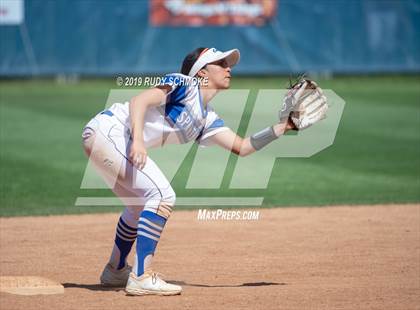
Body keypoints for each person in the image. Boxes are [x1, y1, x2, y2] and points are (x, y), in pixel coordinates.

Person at [81, 47, 297, 296]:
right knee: (162, 196)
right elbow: (139, 101)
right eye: (221, 63)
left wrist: (285, 126)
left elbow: (242, 146)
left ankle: (116, 270)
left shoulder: (206, 117)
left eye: (228, 64)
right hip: (110, 132)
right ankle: (141, 276)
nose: (228, 68)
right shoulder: (184, 83)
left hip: (106, 138)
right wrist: (138, 140)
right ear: (202, 72)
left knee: (138, 205)